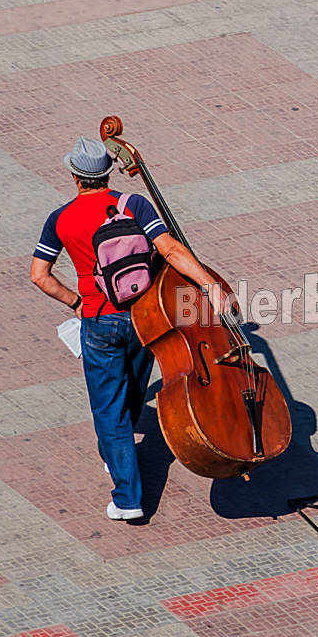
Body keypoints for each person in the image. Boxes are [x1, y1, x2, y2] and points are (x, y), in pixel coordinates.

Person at [31, 136, 224, 521]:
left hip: (97, 320)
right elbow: (170, 250)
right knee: (133, 386)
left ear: (75, 177)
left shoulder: (60, 219)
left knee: (109, 410)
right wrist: (210, 284)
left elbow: (39, 276)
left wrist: (76, 302)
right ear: (107, 172)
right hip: (143, 316)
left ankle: (127, 498)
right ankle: (116, 457)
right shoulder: (133, 204)